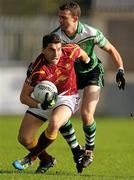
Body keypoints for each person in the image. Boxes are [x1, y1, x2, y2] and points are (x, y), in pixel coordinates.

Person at [51, 1, 125, 170]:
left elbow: (111, 49)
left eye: (64, 17)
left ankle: (89, 151)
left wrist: (120, 69)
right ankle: (77, 150)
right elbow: (46, 56)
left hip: (92, 72)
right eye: (59, 17)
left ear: (75, 18)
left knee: (86, 114)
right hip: (71, 76)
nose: (60, 21)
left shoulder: (91, 32)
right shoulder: (57, 37)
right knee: (59, 117)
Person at [12, 33, 91, 173]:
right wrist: (39, 105)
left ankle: (30, 158)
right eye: (51, 50)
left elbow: (84, 56)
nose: (56, 53)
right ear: (43, 50)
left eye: (59, 49)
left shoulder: (70, 50)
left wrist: (88, 66)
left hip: (68, 96)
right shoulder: (37, 70)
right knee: (24, 138)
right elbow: (23, 97)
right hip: (44, 100)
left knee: (55, 122)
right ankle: (47, 160)